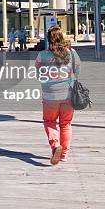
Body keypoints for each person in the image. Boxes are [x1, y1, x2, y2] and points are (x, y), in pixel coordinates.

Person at [35, 26, 81, 165]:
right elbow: (77, 70)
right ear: (62, 37)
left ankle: (55, 145)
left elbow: (38, 74)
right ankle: (64, 154)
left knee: (49, 122)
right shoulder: (71, 53)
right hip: (68, 94)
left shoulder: (42, 55)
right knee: (66, 124)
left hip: (50, 96)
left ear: (49, 40)